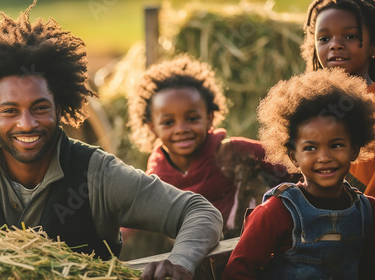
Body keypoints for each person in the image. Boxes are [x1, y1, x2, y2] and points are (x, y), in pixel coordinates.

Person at [0, 3, 224, 279]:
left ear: (60, 108)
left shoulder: (97, 176)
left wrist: (181, 261)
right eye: (10, 111)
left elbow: (199, 212)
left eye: (40, 108)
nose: (28, 123)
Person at [223, 68, 375, 280]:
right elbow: (238, 270)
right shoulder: (276, 212)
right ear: (294, 157)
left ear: (354, 149)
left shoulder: (367, 211)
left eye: (336, 145)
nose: (324, 157)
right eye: (311, 148)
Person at [126, 55, 293, 238]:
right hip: (195, 257)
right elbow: (132, 217)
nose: (181, 129)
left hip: (251, 244)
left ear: (209, 119)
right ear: (152, 128)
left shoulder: (235, 153)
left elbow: (290, 165)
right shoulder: (156, 178)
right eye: (168, 122)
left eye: (192, 119)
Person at [301, 0, 375, 195]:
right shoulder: (313, 104)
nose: (335, 45)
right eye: (324, 39)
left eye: (350, 36)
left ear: (372, 46)